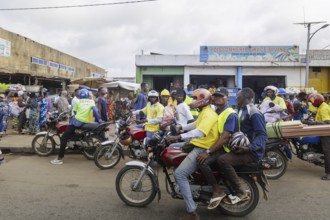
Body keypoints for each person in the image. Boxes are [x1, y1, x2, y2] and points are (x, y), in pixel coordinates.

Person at [165, 88, 218, 220]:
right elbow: (195, 124)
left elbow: (200, 132)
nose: (193, 101)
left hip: (202, 147)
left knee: (180, 174)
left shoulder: (208, 114)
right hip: (198, 143)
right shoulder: (205, 112)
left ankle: (192, 211)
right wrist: (180, 128)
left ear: (202, 99)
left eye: (195, 99)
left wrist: (179, 136)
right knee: (172, 147)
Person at [218, 87, 267, 204]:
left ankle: (241, 192)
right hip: (240, 148)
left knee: (223, 160)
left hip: (251, 152)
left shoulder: (254, 112)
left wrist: (249, 148)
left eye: (238, 96)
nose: (236, 98)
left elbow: (262, 136)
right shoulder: (240, 110)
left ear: (246, 97)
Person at [196, 87, 239, 209]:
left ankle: (217, 189)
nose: (218, 98)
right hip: (219, 145)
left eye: (222, 96)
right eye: (216, 96)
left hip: (226, 148)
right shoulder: (217, 111)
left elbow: (225, 137)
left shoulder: (230, 114)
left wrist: (208, 152)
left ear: (228, 98)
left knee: (202, 162)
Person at [51, 89, 102, 165]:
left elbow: (75, 112)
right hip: (84, 121)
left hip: (76, 121)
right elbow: (95, 111)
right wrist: (100, 120)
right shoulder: (91, 101)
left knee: (64, 138)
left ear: (80, 95)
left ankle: (60, 158)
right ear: (88, 95)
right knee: (70, 133)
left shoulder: (78, 102)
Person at [303, 94, 330, 180]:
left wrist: (312, 123)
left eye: (312, 102)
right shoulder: (321, 106)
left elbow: (327, 122)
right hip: (322, 131)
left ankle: (328, 173)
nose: (311, 103)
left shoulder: (324, 108)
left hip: (327, 132)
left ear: (316, 101)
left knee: (327, 152)